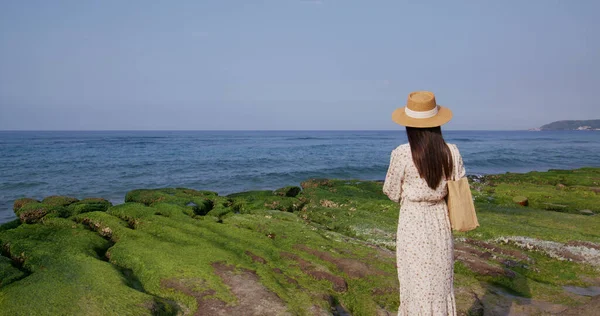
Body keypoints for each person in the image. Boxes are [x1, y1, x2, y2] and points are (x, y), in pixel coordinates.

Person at [383, 91, 464, 315]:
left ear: (409, 125)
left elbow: (390, 190)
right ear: (437, 123)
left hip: (412, 222)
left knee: (414, 283)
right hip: (440, 221)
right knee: (439, 284)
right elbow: (458, 187)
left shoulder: (402, 153)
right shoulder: (452, 152)